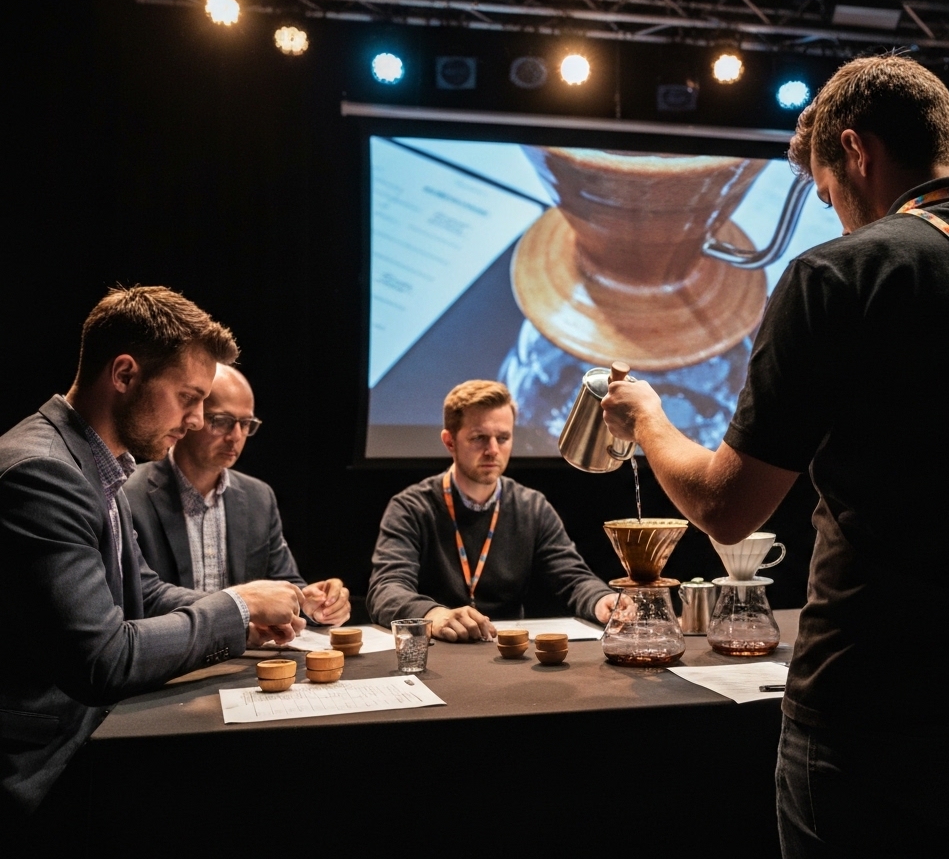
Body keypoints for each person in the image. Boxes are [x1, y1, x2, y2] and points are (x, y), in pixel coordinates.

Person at [601, 55, 949, 857]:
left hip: (869, 716)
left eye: (829, 196)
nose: (837, 218)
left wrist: (646, 417)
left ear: (857, 151)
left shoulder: (838, 275)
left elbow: (727, 507)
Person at [0, 286, 305, 820]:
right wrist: (236, 609)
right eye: (188, 398)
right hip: (38, 773)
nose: (194, 420)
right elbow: (103, 659)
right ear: (124, 375)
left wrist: (246, 613)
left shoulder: (97, 461)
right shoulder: (43, 472)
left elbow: (143, 590)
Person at [366, 380, 620, 642]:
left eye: (503, 438)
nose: (493, 450)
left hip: (506, 652)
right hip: (438, 647)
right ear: (449, 442)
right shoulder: (411, 508)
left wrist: (601, 600)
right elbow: (386, 589)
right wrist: (434, 614)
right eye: (479, 438)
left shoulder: (531, 507)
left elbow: (573, 579)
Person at [125, 363, 351, 625]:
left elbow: (283, 582)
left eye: (246, 424)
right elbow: (140, 598)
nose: (236, 436)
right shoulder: (129, 493)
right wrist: (241, 604)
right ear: (191, 416)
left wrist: (312, 603)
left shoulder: (258, 496)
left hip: (243, 658)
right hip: (172, 656)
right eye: (222, 422)